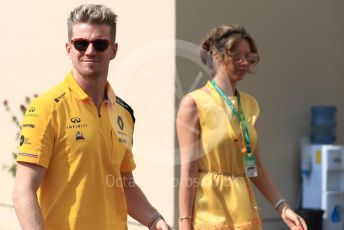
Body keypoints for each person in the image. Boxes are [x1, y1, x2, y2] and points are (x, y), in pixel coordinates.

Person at [12, 4, 170, 230]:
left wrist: (154, 219)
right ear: (68, 48)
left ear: (113, 50)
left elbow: (124, 183)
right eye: (81, 43)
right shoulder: (46, 108)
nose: (90, 51)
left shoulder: (123, 113)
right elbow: (22, 191)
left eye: (100, 44)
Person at [177, 24, 308, 230]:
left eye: (249, 56)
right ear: (216, 56)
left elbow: (255, 167)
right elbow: (189, 170)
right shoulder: (194, 103)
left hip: (243, 210)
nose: (245, 62)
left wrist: (283, 208)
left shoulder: (249, 104)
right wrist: (185, 223)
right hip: (210, 211)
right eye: (238, 55)